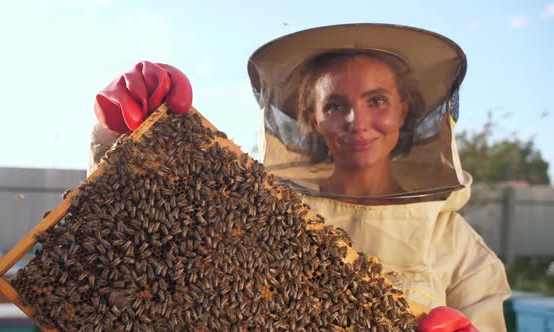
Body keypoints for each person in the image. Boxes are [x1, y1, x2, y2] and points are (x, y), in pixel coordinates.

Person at [89, 24, 511, 331]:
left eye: (377, 101)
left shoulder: (458, 246)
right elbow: (144, 245)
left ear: (405, 110)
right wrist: (118, 133)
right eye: (335, 106)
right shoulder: (259, 211)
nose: (356, 122)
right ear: (311, 119)